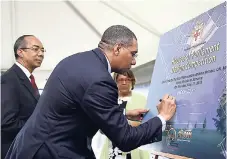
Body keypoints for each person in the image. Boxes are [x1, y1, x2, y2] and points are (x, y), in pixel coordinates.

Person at [5, 25, 176, 159]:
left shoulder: (77, 61)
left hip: (33, 148)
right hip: (51, 152)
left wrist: (124, 115)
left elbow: (77, 110)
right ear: (117, 48)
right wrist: (162, 117)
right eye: (132, 54)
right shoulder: (100, 80)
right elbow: (125, 139)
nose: (133, 61)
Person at [1, 35, 45, 158]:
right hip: (13, 151)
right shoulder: (8, 80)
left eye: (42, 50)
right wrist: (39, 125)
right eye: (35, 49)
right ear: (20, 52)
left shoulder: (28, 79)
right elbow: (6, 123)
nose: (41, 53)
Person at [100, 70, 151, 159]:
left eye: (127, 79)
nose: (124, 82)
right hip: (112, 149)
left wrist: (118, 124)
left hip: (135, 146)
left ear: (132, 81)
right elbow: (101, 126)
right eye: (121, 80)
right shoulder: (109, 100)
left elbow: (147, 123)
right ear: (115, 82)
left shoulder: (141, 99)